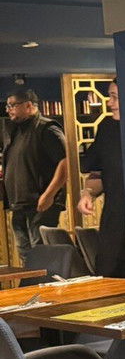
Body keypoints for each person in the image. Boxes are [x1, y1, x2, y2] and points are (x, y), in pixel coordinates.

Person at [1, 88, 68, 262]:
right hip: (19, 204)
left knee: (41, 254)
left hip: (40, 203)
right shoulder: (15, 131)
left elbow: (65, 162)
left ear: (28, 105)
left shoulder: (47, 128)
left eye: (12, 105)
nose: (8, 110)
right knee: (26, 255)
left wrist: (49, 195)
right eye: (7, 106)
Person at [77, 80, 125, 278]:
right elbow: (98, 171)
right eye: (109, 96)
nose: (109, 103)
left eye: (114, 97)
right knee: (108, 274)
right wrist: (87, 193)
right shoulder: (107, 128)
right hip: (113, 221)